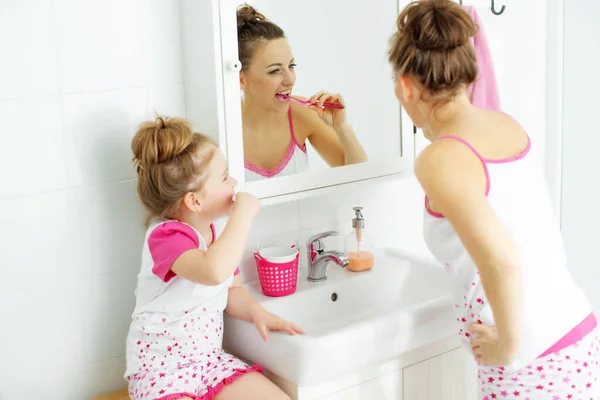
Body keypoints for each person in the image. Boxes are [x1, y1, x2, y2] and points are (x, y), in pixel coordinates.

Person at [389, 0, 599, 397]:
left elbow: (502, 260)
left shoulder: (439, 159)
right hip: (575, 329)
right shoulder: (505, 125)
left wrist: (507, 347)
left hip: (528, 353)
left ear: (406, 84)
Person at [124, 116, 302, 400]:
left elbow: (230, 288)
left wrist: (258, 313)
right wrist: (244, 213)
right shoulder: (165, 237)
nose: (233, 182)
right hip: (161, 372)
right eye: (224, 177)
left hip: (209, 365)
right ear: (194, 201)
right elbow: (213, 271)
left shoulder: (217, 232)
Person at [236, 4, 368, 181]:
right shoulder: (224, 129)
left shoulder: (301, 114)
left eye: (291, 66)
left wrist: (342, 127)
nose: (290, 80)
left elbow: (360, 178)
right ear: (241, 79)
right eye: (275, 71)